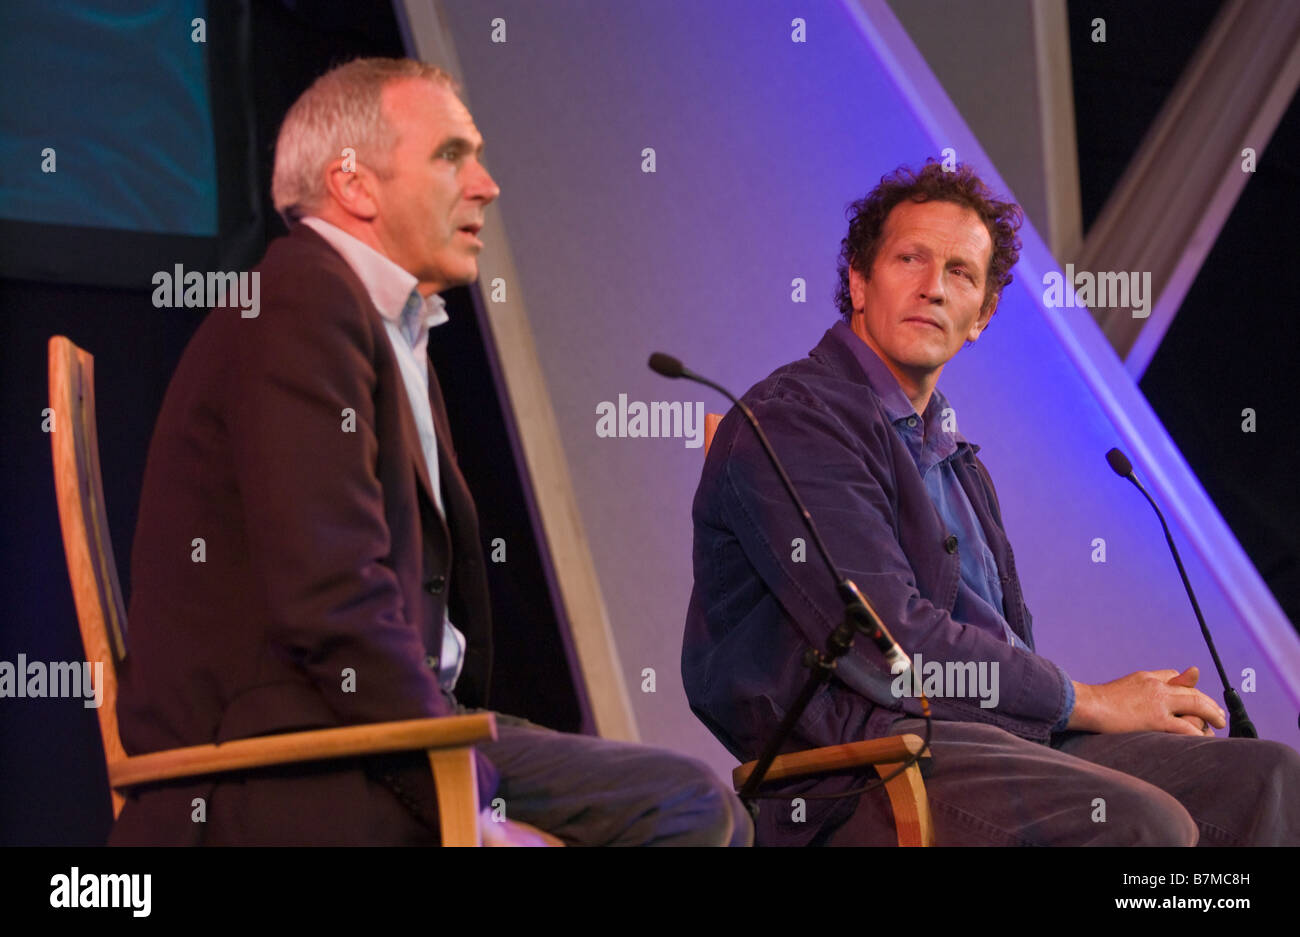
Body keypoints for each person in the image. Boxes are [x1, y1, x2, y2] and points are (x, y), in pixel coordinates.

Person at [111, 57, 749, 846]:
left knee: (685, 797)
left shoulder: (382, 320)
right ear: (354, 183)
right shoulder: (300, 306)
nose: (486, 184)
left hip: (383, 729)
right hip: (287, 762)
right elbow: (332, 597)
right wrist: (465, 803)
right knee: (681, 808)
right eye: (451, 155)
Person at [682, 159, 1300, 846]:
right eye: (909, 258)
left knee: (1267, 778)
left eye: (961, 273)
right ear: (858, 282)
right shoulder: (795, 418)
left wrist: (1090, 712)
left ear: (983, 314)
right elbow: (893, 646)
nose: (933, 288)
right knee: (1144, 826)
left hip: (993, 741)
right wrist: (1092, 700)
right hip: (866, 765)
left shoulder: (957, 459)